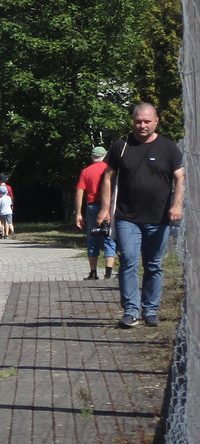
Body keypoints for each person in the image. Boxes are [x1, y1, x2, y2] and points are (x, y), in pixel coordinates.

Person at [96, 103, 184, 328]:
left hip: (159, 218)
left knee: (153, 265)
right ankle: (131, 310)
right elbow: (108, 177)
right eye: (138, 121)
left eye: (147, 121)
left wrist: (177, 205)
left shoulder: (168, 147)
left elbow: (180, 177)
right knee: (128, 262)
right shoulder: (121, 146)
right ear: (132, 121)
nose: (142, 125)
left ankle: (151, 310)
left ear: (156, 121)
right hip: (127, 217)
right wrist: (105, 209)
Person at [74, 146, 116, 280]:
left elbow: (79, 193)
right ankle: (108, 272)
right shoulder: (110, 169)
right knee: (109, 236)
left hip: (92, 206)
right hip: (109, 206)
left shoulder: (86, 171)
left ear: (92, 157)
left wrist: (78, 213)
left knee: (92, 237)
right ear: (105, 156)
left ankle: (93, 272)